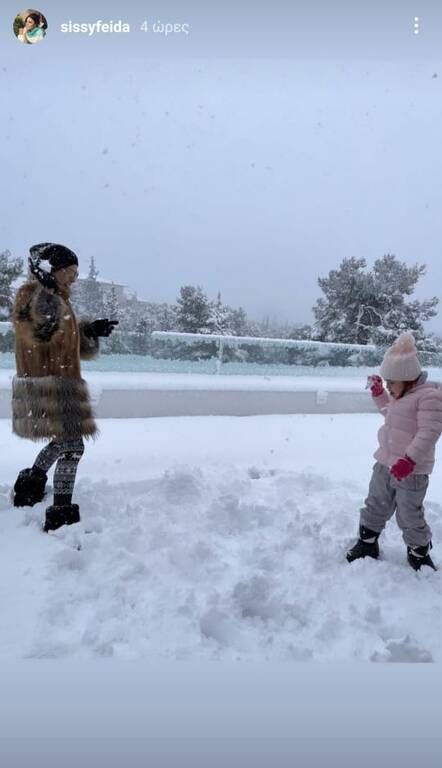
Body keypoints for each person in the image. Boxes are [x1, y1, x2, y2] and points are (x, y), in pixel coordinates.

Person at [11, 242, 118, 532]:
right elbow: (39, 334)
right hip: (45, 386)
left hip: (62, 385)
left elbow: (66, 344)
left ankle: (31, 484)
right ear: (50, 270)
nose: (74, 277)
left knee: (63, 443)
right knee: (72, 446)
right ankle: (61, 514)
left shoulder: (57, 298)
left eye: (75, 271)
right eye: (69, 271)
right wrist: (46, 292)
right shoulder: (32, 296)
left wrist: (89, 331)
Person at [346, 332, 442, 571]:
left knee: (409, 514)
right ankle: (367, 542)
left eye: (391, 382)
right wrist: (380, 394)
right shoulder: (403, 395)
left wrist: (409, 460)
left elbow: (429, 432)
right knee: (375, 503)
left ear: (408, 378)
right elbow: (390, 412)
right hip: (386, 463)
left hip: (412, 470)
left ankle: (419, 553)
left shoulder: (429, 397)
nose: (388, 386)